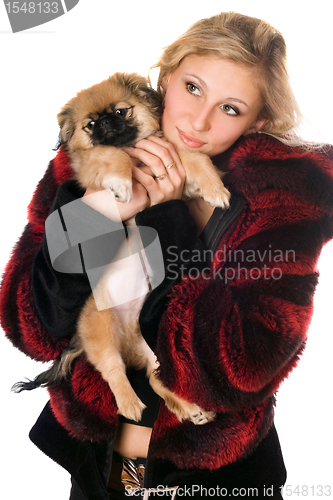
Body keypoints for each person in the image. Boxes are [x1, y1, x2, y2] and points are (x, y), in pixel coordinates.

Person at [1, 11, 333, 500]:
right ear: (164, 78)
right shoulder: (89, 163)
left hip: (213, 470)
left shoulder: (280, 199)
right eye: (193, 88)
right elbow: (32, 328)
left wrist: (168, 222)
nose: (198, 121)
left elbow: (241, 367)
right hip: (114, 451)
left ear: (258, 120)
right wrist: (93, 220)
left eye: (231, 108)